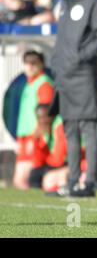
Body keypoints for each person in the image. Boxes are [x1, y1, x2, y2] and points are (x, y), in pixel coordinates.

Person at [51, 0, 97, 197]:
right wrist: (57, 63)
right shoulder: (65, 1)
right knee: (70, 130)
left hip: (85, 75)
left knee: (89, 128)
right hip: (65, 76)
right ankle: (72, 181)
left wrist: (79, 56)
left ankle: (89, 183)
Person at [14, 50, 54, 190]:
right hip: (24, 138)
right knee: (20, 181)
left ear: (41, 65)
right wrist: (20, 140)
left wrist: (35, 138)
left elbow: (45, 116)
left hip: (35, 138)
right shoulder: (28, 84)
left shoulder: (44, 84)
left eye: (34, 63)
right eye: (27, 63)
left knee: (26, 179)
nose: (29, 67)